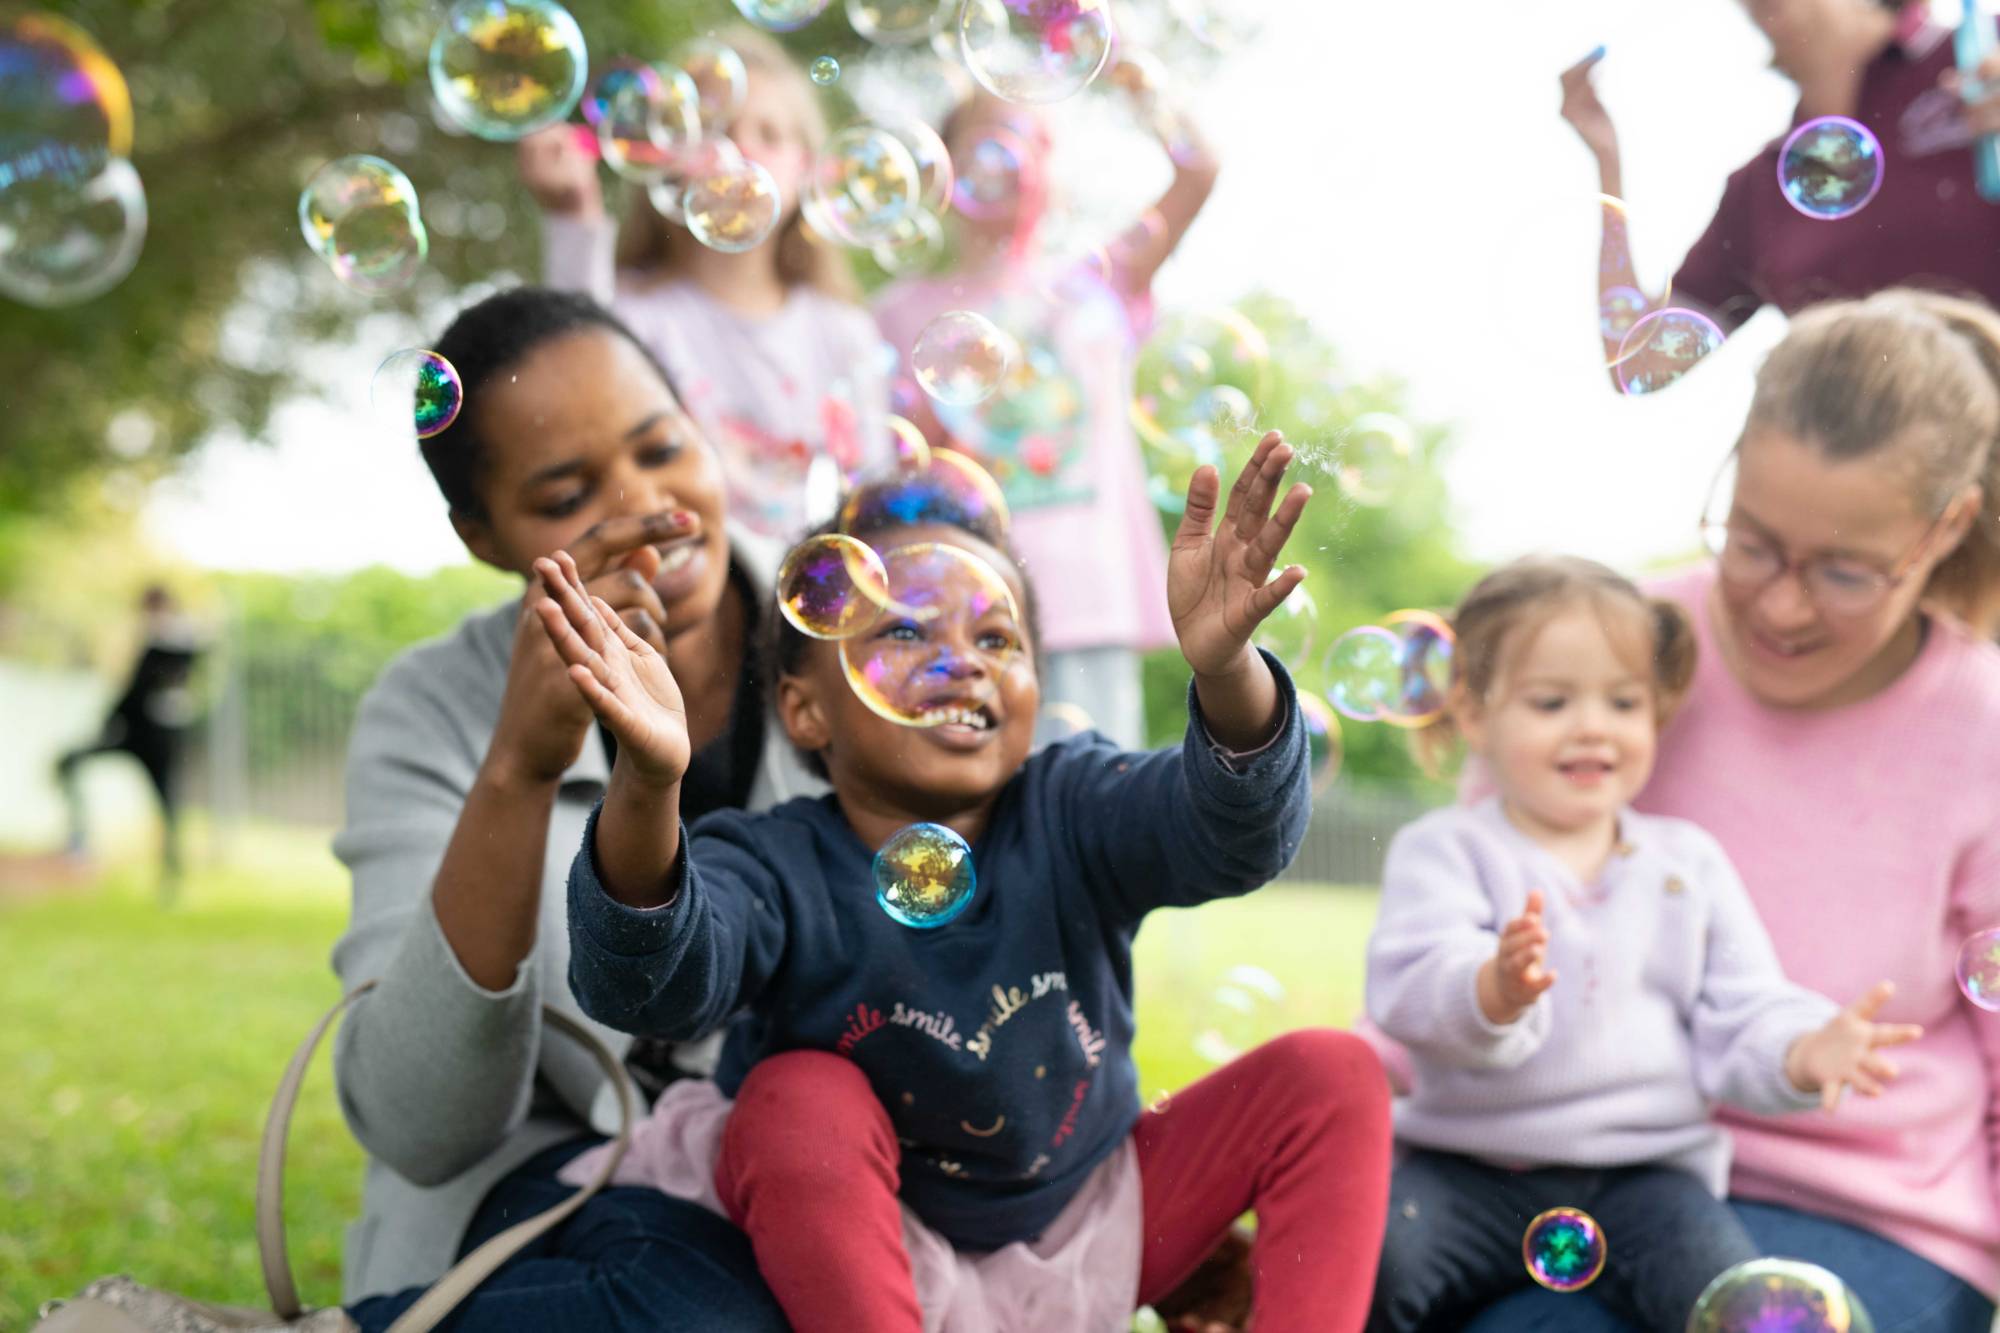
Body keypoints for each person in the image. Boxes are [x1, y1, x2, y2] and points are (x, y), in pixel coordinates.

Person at [535, 432, 1394, 1331]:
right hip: (869, 1251)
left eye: (996, 635)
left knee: (1331, 1074)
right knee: (795, 1097)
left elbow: (1232, 835)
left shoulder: (1073, 806)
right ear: (805, 706)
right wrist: (648, 785)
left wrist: (1226, 675)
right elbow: (650, 985)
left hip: (1092, 1220)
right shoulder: (774, 861)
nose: (965, 656)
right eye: (905, 629)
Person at [1456, 290, 2000, 1331]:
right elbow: (1464, 920)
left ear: (1945, 530)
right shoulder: (1617, 655)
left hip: (1872, 1215)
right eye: (1751, 543)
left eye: (1842, 571)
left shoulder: (1981, 727)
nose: (1780, 604)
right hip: (1589, 1172)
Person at [1364, 555, 1920, 1332]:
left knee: (1737, 1302)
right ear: (1473, 713)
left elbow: (1742, 1007)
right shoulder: (1446, 849)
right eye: (1551, 700)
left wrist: (1799, 1051)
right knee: (1372, 1271)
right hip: (1467, 1171)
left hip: (1647, 1179)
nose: (1592, 725)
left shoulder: (1685, 861)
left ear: (1657, 713)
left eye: (1623, 701)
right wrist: (1492, 988)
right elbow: (1410, 984)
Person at [871, 64, 1220, 749]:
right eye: (998, 136)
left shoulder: (1093, 282)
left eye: (1039, 141)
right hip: (960, 607)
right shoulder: (899, 311)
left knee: (1094, 815)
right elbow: (898, 459)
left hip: (1089, 603)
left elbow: (1199, 170)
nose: (1021, 155)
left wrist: (1132, 73)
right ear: (946, 172)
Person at [519, 26, 888, 541]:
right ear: (665, 153)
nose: (740, 149)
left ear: (807, 170)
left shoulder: (841, 331)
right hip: (681, 585)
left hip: (814, 592)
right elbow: (576, 377)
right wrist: (574, 217)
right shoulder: (637, 314)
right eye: (716, 128)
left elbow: (872, 485)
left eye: (770, 134)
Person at [1561, 0, 2000, 373]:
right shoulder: (1758, 193)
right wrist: (1607, 164)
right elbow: (1639, 361)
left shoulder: (1983, 52)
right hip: (1874, 460)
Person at [53, 583, 201, 902]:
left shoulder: (178, 646)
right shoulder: (151, 645)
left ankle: (171, 874)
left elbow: (172, 672)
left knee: (167, 803)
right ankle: (79, 843)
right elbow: (131, 694)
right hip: (129, 736)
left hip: (160, 741)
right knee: (69, 762)